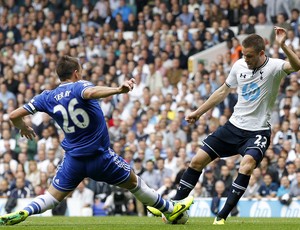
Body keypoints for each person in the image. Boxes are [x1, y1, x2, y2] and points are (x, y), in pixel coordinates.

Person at [0, 56, 193, 226]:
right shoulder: (80, 86)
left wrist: (23, 127)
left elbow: (13, 115)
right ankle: (169, 208)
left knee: (52, 197)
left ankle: (26, 211)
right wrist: (118, 90)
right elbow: (90, 93)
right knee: (135, 184)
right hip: (100, 157)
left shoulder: (46, 96)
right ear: (76, 73)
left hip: (73, 160)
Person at [147, 26, 300, 224]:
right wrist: (198, 112)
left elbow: (296, 66)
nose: (246, 59)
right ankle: (172, 207)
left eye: (250, 56)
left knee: (246, 167)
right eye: (243, 55)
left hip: (257, 131)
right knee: (196, 162)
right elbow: (222, 92)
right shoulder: (239, 66)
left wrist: (283, 45)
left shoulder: (274, 67)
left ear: (262, 53)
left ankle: (222, 216)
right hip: (233, 127)